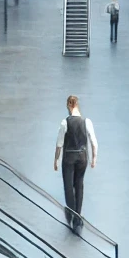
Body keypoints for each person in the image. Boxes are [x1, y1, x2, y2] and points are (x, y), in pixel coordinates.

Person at [53, 95, 98, 234]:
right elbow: (93, 142)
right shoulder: (86, 122)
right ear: (77, 105)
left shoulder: (65, 122)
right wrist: (94, 158)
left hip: (69, 157)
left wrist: (56, 160)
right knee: (79, 184)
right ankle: (78, 216)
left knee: (68, 186)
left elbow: (59, 144)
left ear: (69, 106)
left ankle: (72, 213)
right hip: (82, 156)